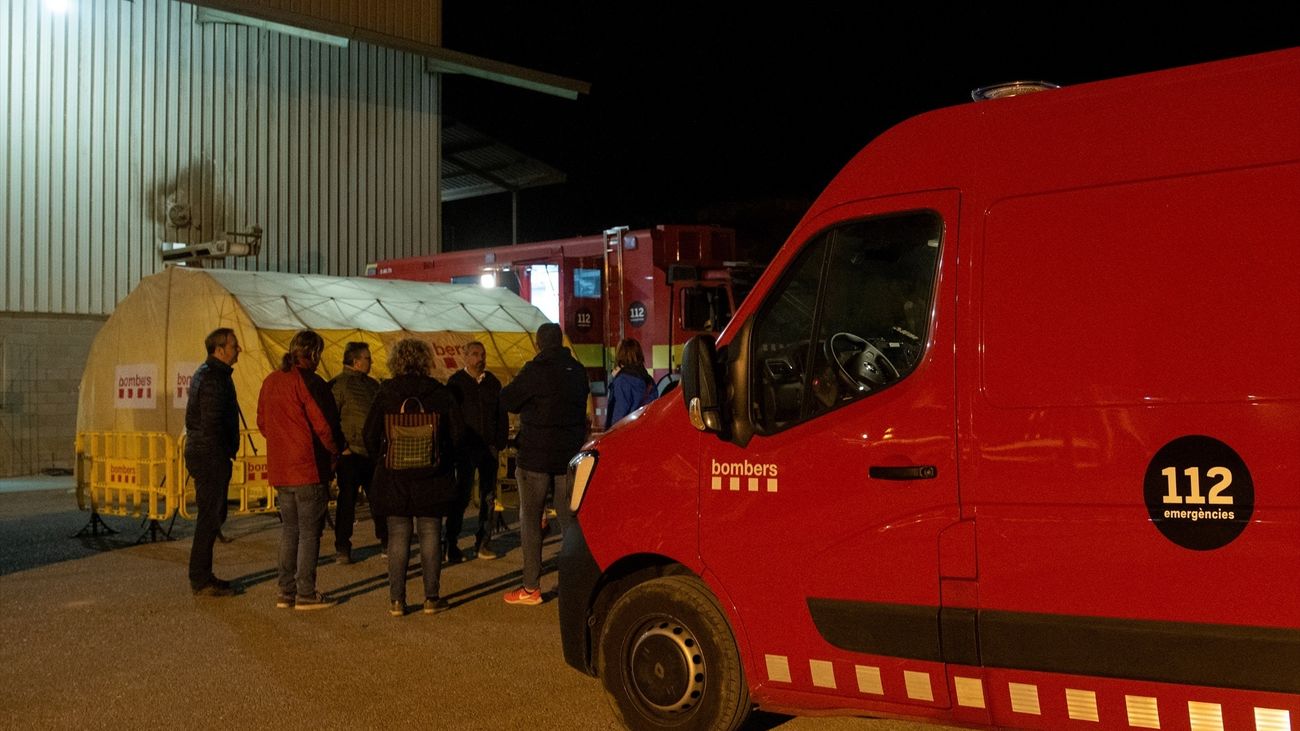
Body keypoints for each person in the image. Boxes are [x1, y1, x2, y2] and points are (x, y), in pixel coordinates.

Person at [363, 338, 464, 617]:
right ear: (424, 361)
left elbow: (369, 435)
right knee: (431, 534)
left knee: (398, 536)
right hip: (432, 477)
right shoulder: (440, 393)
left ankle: (397, 600)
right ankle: (432, 597)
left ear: (396, 361)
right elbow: (457, 435)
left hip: (394, 477)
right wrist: (444, 458)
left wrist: (384, 459)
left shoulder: (386, 392)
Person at [499, 323, 589, 606]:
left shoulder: (534, 370)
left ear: (538, 344)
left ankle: (531, 587)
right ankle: (577, 584)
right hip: (568, 456)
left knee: (531, 520)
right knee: (569, 522)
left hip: (535, 457)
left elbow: (508, 400)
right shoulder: (577, 371)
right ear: (560, 342)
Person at [257, 330, 343, 611]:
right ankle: (305, 591)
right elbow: (324, 426)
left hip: (282, 469)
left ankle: (286, 590)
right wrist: (334, 451)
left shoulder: (271, 381)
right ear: (314, 353)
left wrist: (283, 442)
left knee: (289, 532)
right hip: (308, 468)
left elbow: (262, 423)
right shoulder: (311, 382)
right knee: (309, 533)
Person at [185, 328, 242, 597]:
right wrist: (222, 453)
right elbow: (211, 422)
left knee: (213, 515)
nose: (238, 349)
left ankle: (203, 575)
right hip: (209, 456)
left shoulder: (210, 374)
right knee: (210, 516)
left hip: (207, 453)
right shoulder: (213, 378)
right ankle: (200, 578)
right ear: (220, 349)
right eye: (234, 345)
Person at [446, 340, 508, 562]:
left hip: (489, 447)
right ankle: (451, 544)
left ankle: (483, 542)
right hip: (465, 448)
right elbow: (451, 417)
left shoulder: (493, 383)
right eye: (474, 354)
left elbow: (502, 414)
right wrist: (455, 443)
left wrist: (500, 440)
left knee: (488, 496)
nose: (479, 358)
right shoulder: (456, 383)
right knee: (460, 496)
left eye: (482, 354)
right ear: (465, 356)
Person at [330, 341, 383, 563]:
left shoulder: (372, 385)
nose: (371, 362)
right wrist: (342, 448)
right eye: (368, 358)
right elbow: (331, 419)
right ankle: (343, 546)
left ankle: (387, 539)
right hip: (350, 455)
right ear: (356, 361)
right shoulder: (338, 385)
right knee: (347, 500)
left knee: (378, 499)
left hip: (371, 453)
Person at [604, 338, 658, 428]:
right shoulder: (649, 381)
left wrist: (612, 379)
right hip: (645, 431)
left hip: (627, 433)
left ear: (620, 356)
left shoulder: (622, 381)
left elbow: (618, 416)